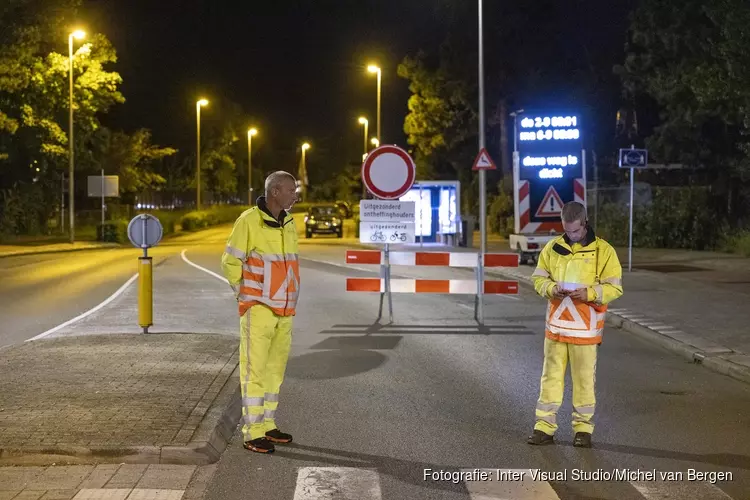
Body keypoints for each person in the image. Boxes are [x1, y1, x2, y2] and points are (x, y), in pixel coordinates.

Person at [527, 201, 623, 448]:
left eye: (576, 232)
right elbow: (538, 278)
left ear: (585, 224)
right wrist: (551, 288)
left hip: (585, 330)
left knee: (583, 381)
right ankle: (544, 428)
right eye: (567, 231)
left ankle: (583, 430)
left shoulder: (604, 251)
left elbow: (615, 288)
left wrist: (590, 294)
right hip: (556, 329)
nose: (571, 236)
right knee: (550, 378)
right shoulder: (552, 247)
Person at [221, 171, 301, 454]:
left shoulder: (289, 223)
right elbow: (231, 261)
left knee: (274, 370)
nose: (295, 194)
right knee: (254, 370)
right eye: (291, 190)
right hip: (259, 308)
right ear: (275, 191)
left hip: (284, 310)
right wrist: (244, 295)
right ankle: (252, 431)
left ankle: (267, 424)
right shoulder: (249, 221)